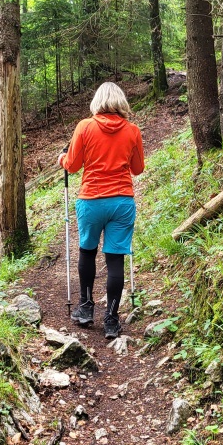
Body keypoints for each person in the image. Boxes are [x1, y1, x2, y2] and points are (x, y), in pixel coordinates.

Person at [58, 82, 145, 339]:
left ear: (97, 101)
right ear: (121, 102)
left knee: (87, 251)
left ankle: (86, 308)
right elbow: (138, 169)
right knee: (115, 259)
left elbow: (72, 165)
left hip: (92, 200)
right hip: (121, 202)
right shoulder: (132, 131)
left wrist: (61, 158)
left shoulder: (85, 127)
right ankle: (111, 320)